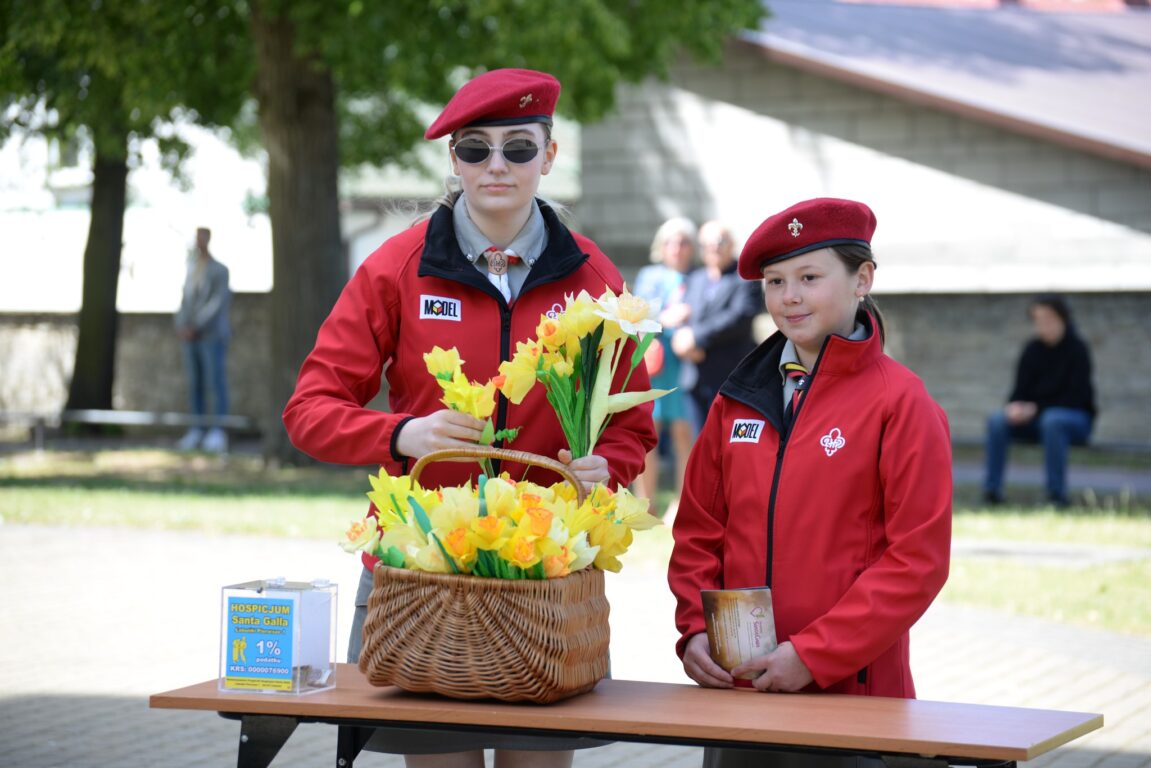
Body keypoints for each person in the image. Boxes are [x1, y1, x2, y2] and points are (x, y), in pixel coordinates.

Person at [282, 68, 657, 768]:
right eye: (474, 148)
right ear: (452, 160)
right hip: (422, 577)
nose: (496, 166)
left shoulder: (595, 279)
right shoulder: (395, 268)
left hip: (545, 577)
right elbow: (308, 411)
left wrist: (608, 467)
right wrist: (400, 434)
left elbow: (630, 425)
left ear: (548, 156)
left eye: (518, 148)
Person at [667, 198, 952, 768]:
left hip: (852, 698)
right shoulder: (734, 402)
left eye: (809, 277)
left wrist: (815, 655)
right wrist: (695, 630)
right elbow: (698, 532)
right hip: (741, 694)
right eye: (775, 281)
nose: (789, 297)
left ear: (862, 279)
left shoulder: (901, 402)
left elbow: (917, 560)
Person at [983, 294, 1096, 508]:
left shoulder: (1078, 350)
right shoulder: (1031, 350)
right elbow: (1018, 392)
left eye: (1048, 319)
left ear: (1063, 319)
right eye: (1038, 320)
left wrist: (1035, 409)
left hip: (1075, 420)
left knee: (1053, 421)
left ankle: (1056, 496)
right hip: (1036, 419)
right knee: (997, 420)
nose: (1043, 325)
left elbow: (1076, 397)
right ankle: (992, 491)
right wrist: (1015, 408)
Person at [668, 220, 761, 435]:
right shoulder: (696, 278)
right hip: (696, 376)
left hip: (731, 377)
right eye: (706, 244)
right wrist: (684, 339)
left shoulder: (745, 277)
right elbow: (689, 315)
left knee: (732, 443)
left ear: (731, 244)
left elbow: (740, 317)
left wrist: (696, 337)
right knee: (701, 444)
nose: (713, 248)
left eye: (718, 241)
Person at [632, 217, 697, 515]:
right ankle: (645, 503)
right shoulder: (649, 275)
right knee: (649, 436)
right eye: (671, 242)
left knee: (686, 434)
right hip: (656, 364)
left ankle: (682, 504)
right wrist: (665, 319)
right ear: (661, 245)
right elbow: (637, 313)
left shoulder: (698, 277)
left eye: (683, 242)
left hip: (686, 367)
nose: (677, 248)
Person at [174, 226, 231, 454]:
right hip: (190, 338)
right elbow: (184, 300)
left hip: (211, 336)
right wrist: (181, 325)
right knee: (194, 382)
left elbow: (217, 303)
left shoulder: (220, 270)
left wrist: (196, 326)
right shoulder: (191, 268)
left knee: (214, 382)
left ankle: (218, 430)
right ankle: (196, 429)